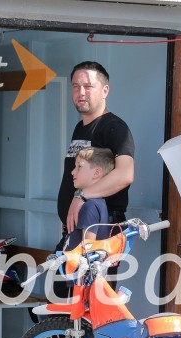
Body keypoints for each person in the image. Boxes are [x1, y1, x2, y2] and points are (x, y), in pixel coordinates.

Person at [57, 61, 135, 250]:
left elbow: (125, 175)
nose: (81, 92)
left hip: (100, 232)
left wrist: (82, 196)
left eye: (88, 86)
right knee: (60, 278)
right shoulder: (79, 127)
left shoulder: (115, 128)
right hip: (76, 231)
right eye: (75, 86)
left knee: (93, 282)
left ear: (105, 91)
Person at [61, 147, 115, 251]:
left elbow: (89, 252)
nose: (72, 172)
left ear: (97, 173)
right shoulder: (96, 203)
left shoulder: (90, 206)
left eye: (79, 167)